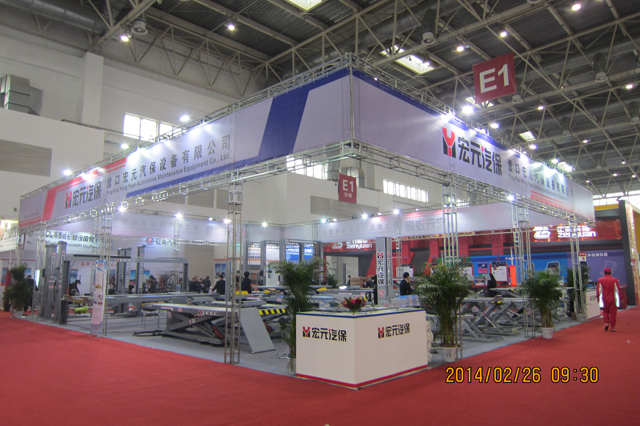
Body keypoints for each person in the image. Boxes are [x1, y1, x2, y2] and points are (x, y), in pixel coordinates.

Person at [596, 268, 621, 332]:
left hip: (605, 298)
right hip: (612, 298)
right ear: (610, 272)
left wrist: (598, 297)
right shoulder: (615, 280)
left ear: (604, 272)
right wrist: (621, 298)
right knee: (613, 313)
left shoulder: (600, 280)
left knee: (605, 311)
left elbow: (599, 290)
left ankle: (606, 323)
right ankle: (613, 327)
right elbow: (617, 290)